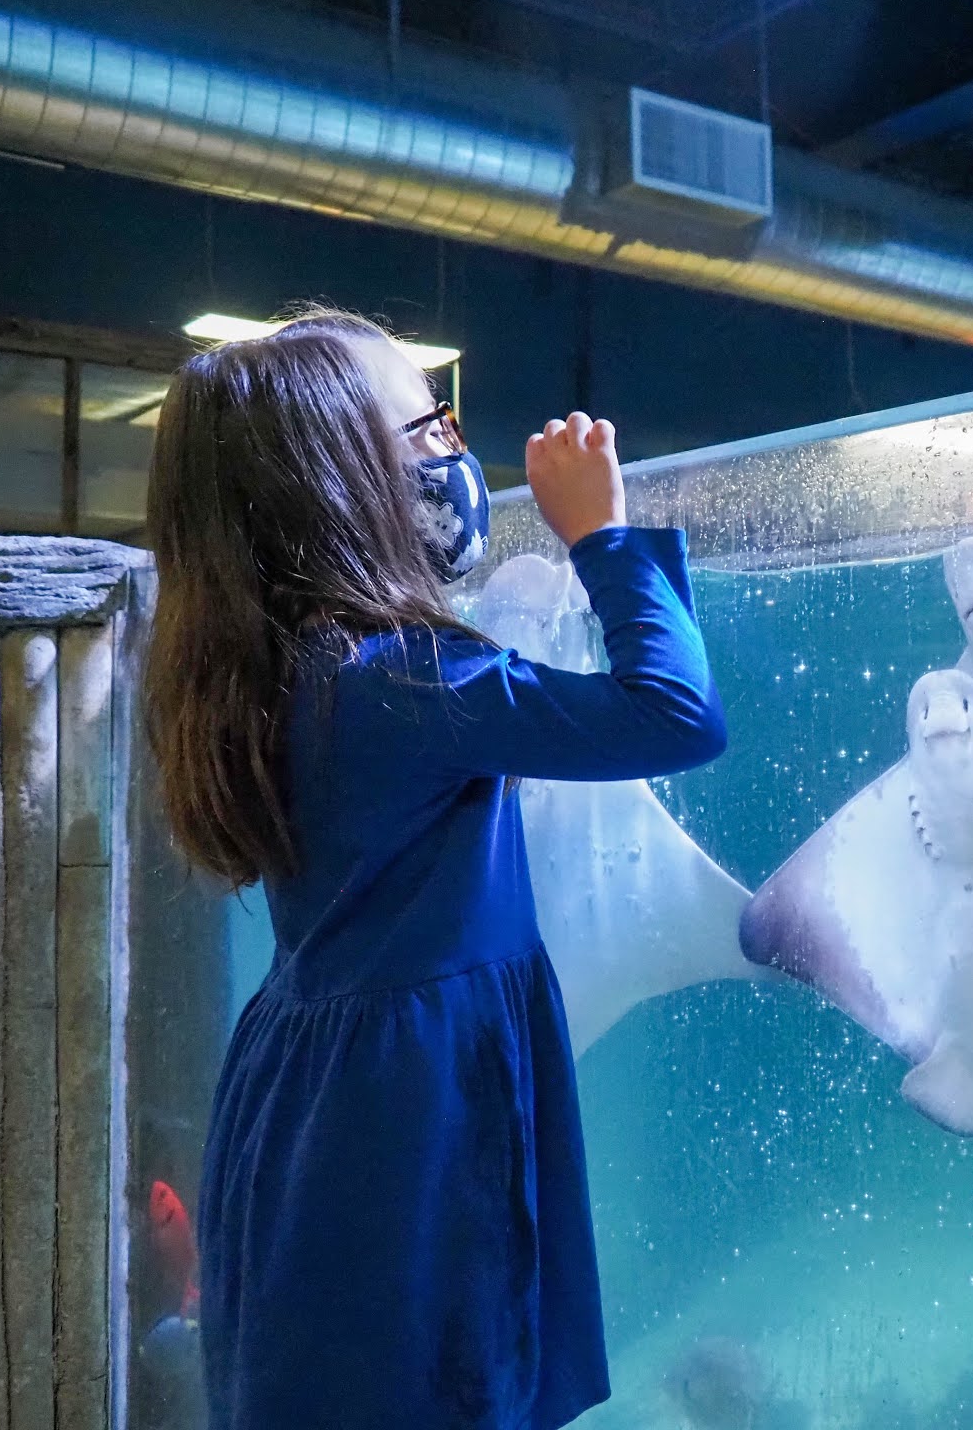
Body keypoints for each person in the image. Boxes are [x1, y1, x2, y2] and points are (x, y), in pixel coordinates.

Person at [142, 308, 728, 1430]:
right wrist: (599, 535)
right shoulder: (405, 680)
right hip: (414, 1105)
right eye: (426, 430)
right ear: (339, 482)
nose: (453, 455)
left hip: (314, 1079)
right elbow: (673, 712)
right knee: (435, 1383)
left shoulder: (272, 668)